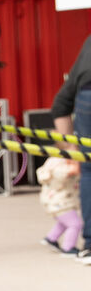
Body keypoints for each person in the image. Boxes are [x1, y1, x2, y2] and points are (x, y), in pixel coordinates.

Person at [50, 36, 91, 264]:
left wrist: (72, 150)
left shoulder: (89, 43)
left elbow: (61, 103)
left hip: (87, 95)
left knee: (89, 171)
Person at [36, 150, 81, 256]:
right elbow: (73, 171)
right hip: (60, 202)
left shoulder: (53, 161)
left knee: (64, 222)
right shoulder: (60, 165)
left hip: (54, 201)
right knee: (75, 224)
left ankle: (51, 238)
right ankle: (68, 248)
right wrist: (76, 163)